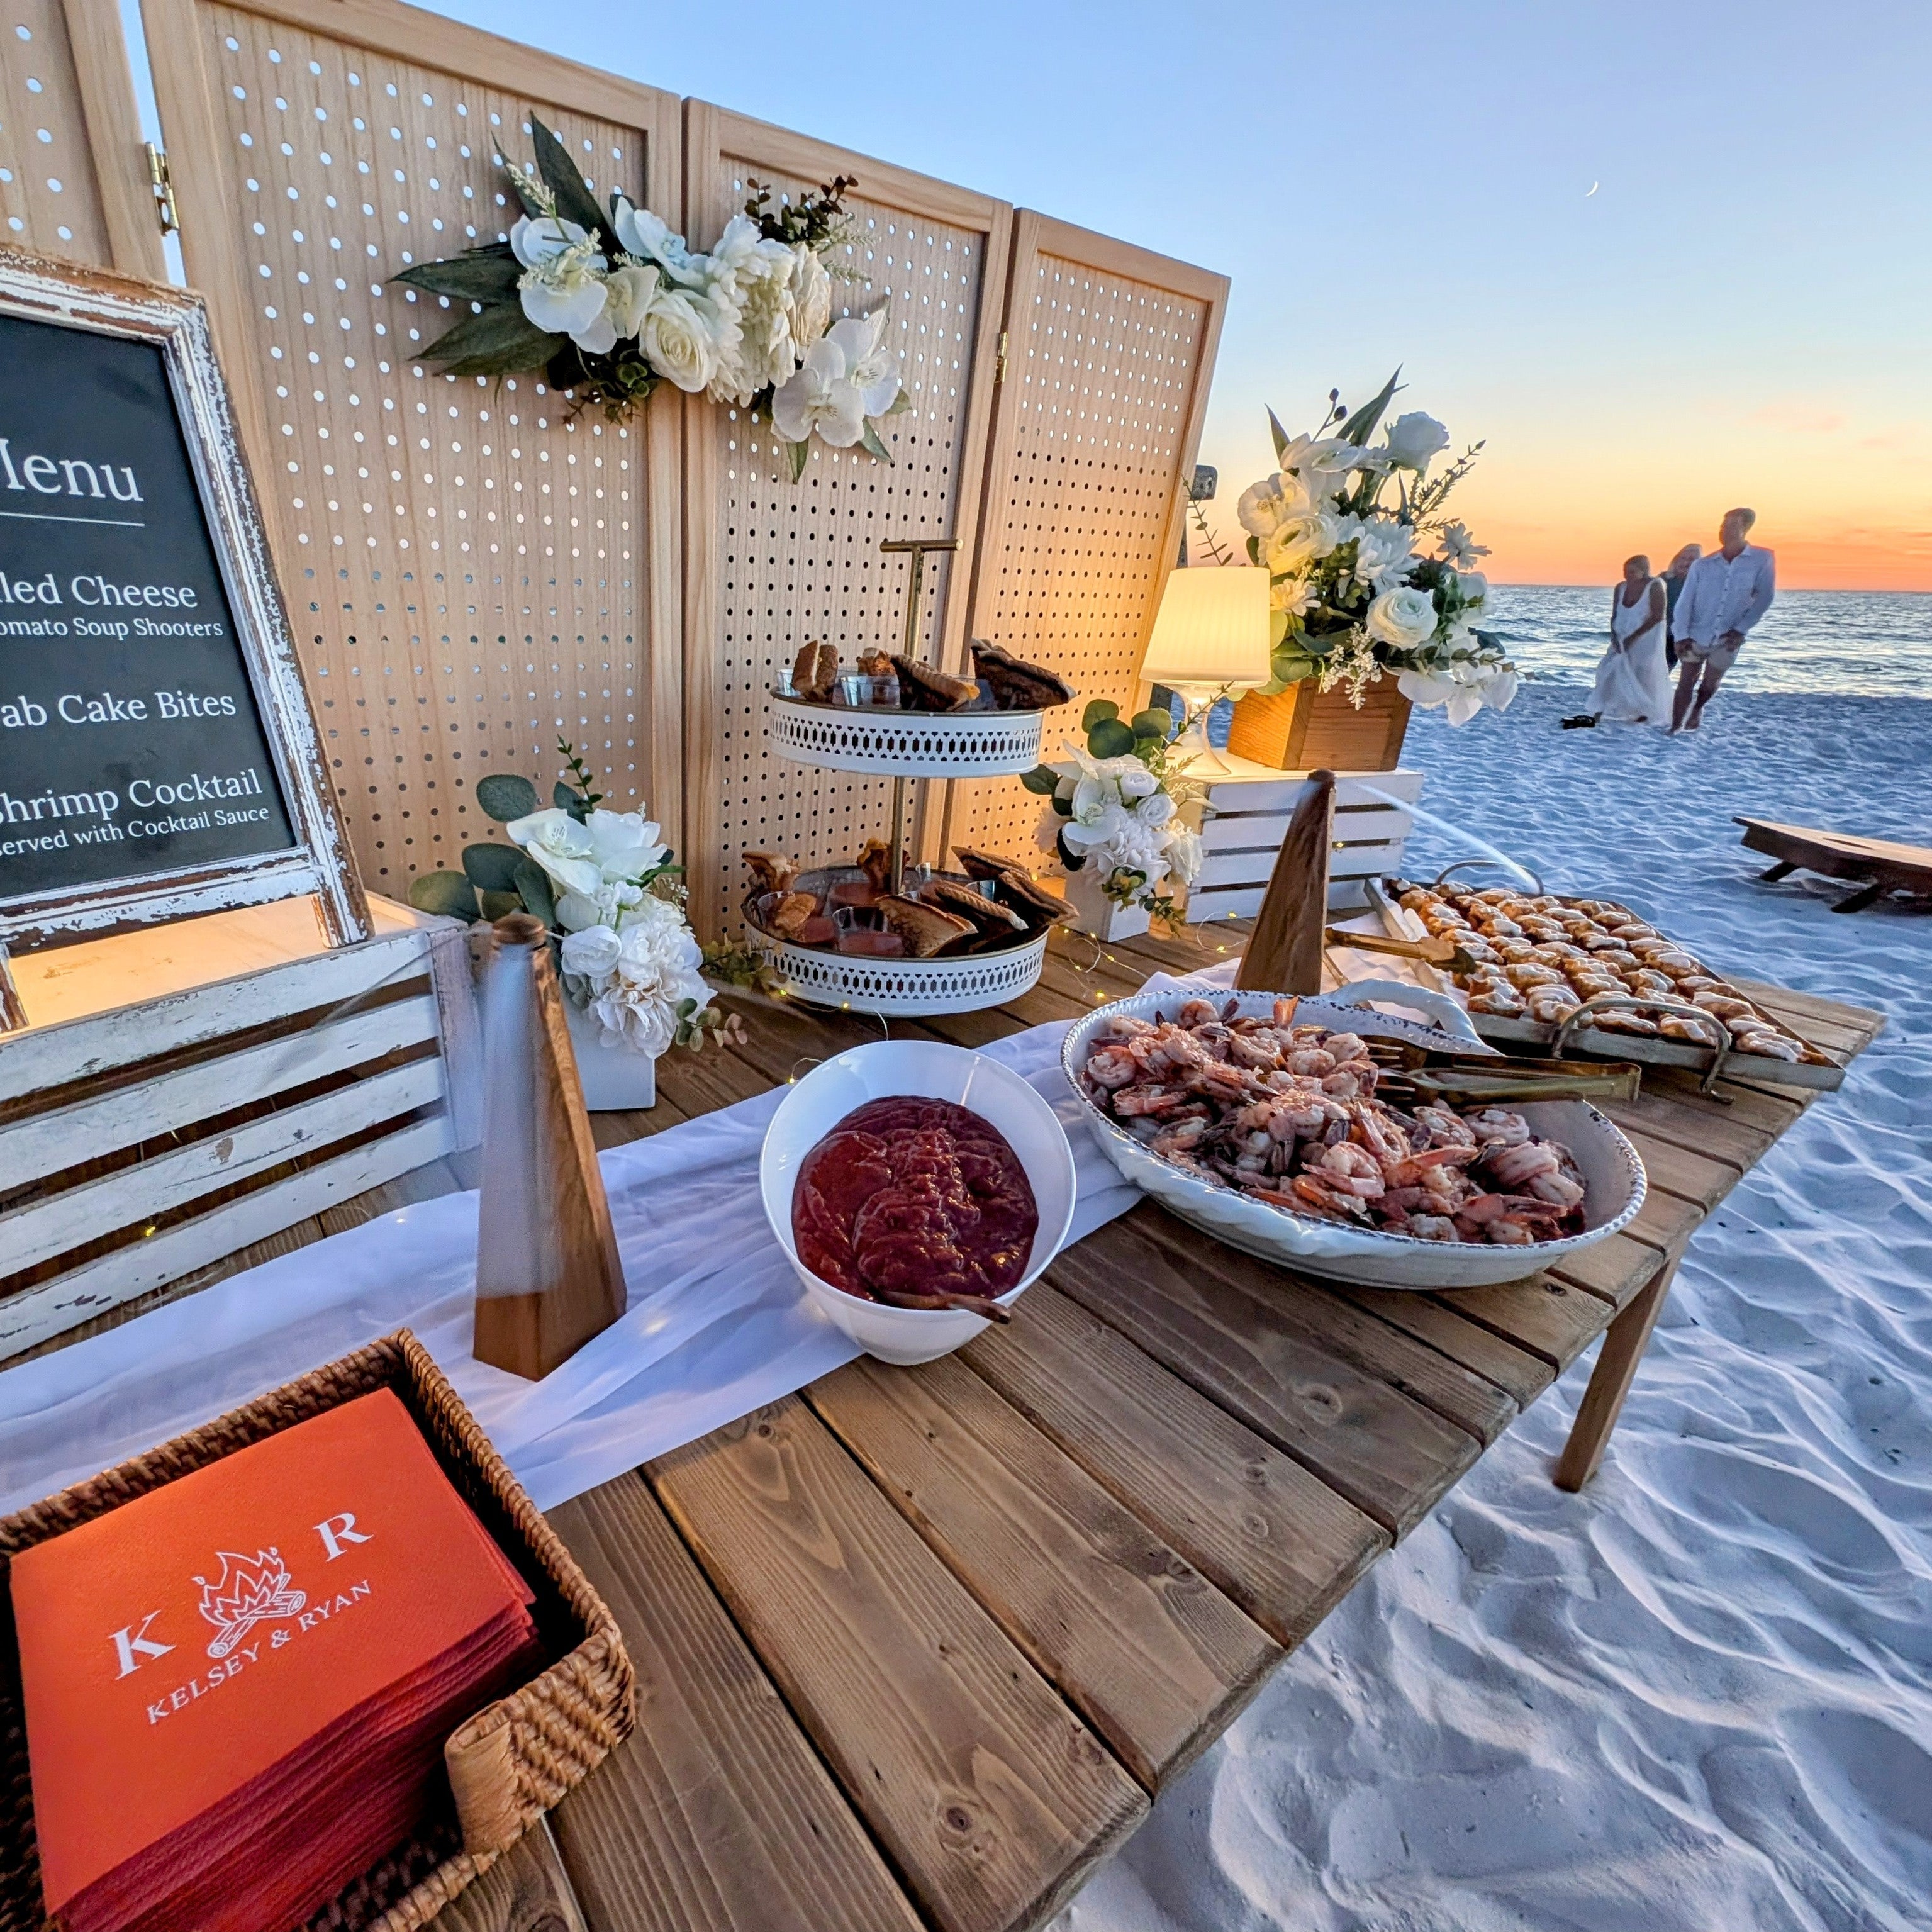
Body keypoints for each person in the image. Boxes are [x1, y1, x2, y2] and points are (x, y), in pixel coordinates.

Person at [1670, 509, 1774, 732]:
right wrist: (1680, 635)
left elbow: (1765, 597)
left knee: (1709, 684)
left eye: (1731, 526)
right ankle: (1676, 726)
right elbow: (1685, 602)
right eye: (1722, 526)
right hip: (1696, 632)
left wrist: (1741, 629)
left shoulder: (1761, 559)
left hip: (1728, 635)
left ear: (1745, 529)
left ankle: (1697, 709)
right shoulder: (1703, 565)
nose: (1724, 530)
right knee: (1685, 682)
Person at [1581, 555, 1672, 725]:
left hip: (1646, 637)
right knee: (1607, 670)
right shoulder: (1621, 587)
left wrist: (1634, 637)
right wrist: (1614, 636)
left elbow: (1657, 616)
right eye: (1625, 571)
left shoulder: (1655, 585)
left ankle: (1645, 712)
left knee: (1643, 675)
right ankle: (1600, 709)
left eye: (1632, 572)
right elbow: (1615, 614)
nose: (1626, 575)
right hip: (1622, 636)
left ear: (1644, 571)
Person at [1659, 542, 1701, 671]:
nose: (1686, 563)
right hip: (1663, 635)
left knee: (1690, 674)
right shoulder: (1663, 580)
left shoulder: (1702, 584)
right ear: (1676, 560)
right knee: (1658, 672)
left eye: (1692, 560)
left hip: (1689, 637)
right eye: (1683, 558)